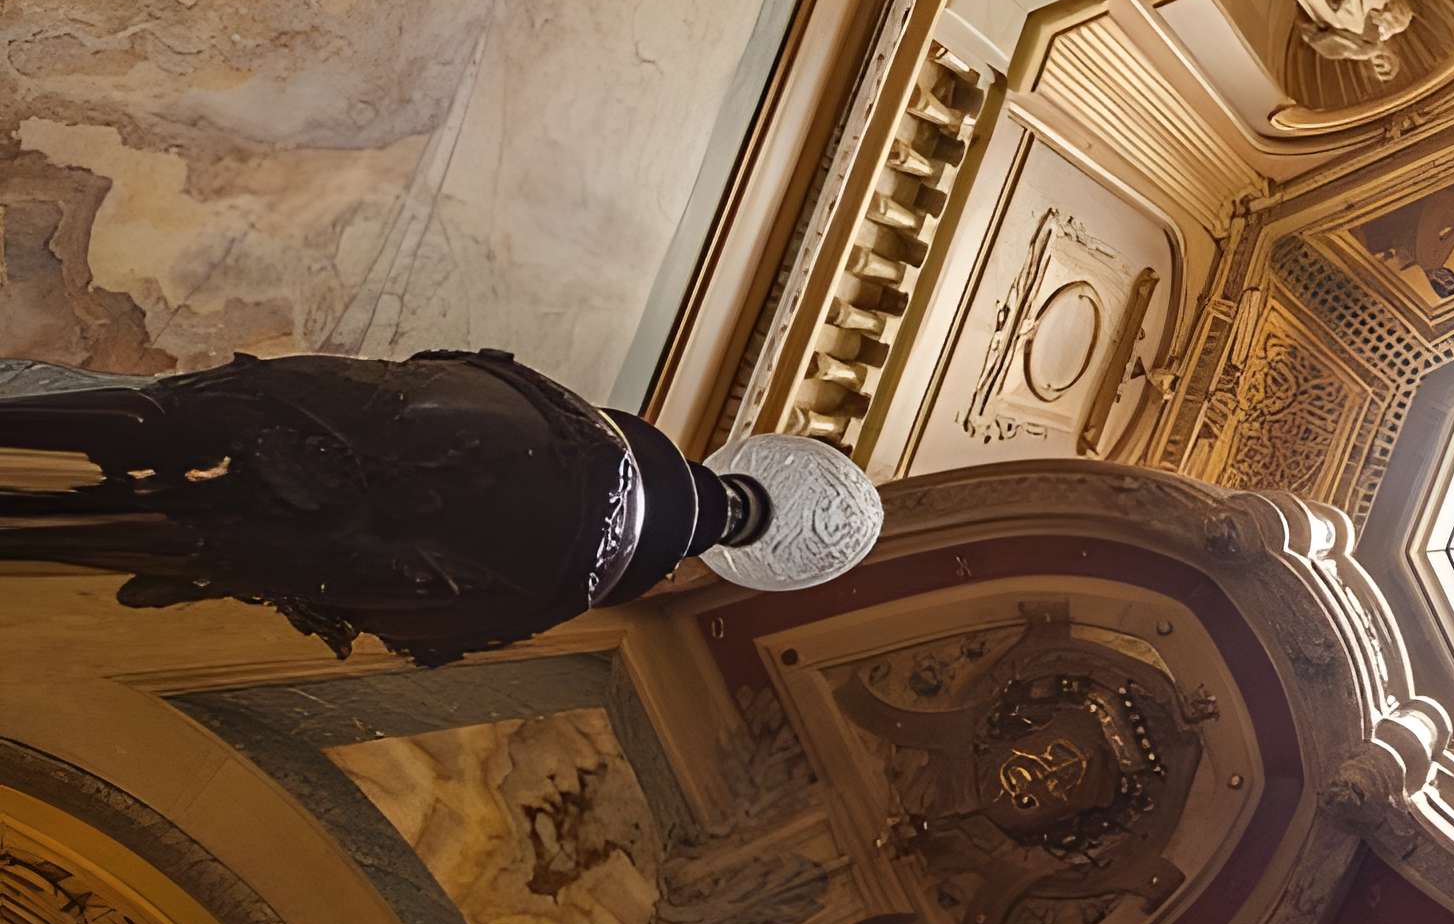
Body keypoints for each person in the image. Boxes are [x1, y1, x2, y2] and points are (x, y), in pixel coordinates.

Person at [0, 348, 880, 665]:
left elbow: (420, 374)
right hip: (293, 550)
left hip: (307, 426)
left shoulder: (573, 412)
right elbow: (410, 625)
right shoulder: (560, 597)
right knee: (141, 544)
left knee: (163, 412)